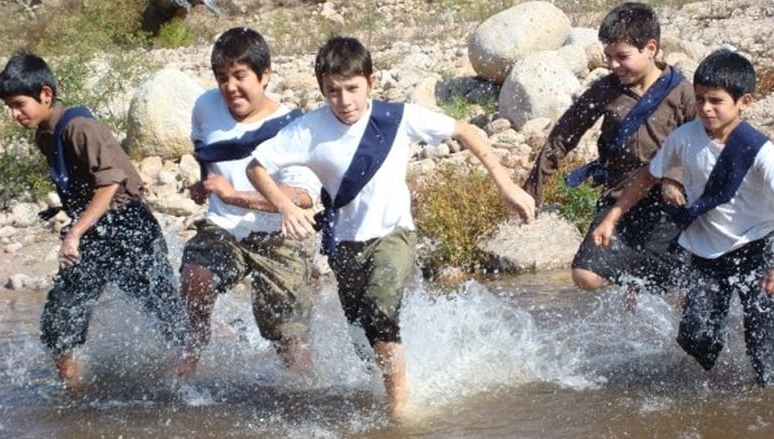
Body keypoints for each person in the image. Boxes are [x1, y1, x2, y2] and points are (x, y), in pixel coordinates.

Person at [245, 36, 535, 417]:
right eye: (332, 91)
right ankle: (384, 390)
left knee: (380, 312)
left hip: (394, 235)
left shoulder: (397, 118)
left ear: (372, 82)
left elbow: (465, 130)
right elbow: (256, 166)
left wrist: (506, 185)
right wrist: (283, 205)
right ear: (321, 89)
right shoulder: (309, 129)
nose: (344, 101)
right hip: (344, 245)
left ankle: (400, 408)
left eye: (352, 88)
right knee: (363, 338)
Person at [0, 51, 190, 387]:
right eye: (8, 107)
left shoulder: (81, 127)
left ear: (46, 94)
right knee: (60, 319)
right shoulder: (45, 134)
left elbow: (111, 182)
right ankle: (75, 392)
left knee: (166, 312)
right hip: (95, 233)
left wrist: (74, 233)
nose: (14, 114)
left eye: (18, 104)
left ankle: (192, 381)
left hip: (129, 229)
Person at [592, 48, 774, 387]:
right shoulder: (684, 138)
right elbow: (648, 175)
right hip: (707, 252)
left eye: (716, 101)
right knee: (696, 339)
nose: (705, 108)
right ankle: (720, 376)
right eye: (701, 98)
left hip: (759, 248)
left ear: (744, 102)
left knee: (766, 347)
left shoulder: (760, 151)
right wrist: (612, 216)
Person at [173, 27, 320, 380]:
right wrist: (205, 182)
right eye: (222, 78)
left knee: (287, 340)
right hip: (224, 226)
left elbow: (302, 198)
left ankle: (308, 396)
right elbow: (204, 148)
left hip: (279, 234)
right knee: (195, 277)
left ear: (265, 75)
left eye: (240, 77)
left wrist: (232, 194)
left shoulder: (292, 126)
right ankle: (198, 338)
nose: (230, 88)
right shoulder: (206, 106)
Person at [522, 2, 696, 296]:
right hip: (618, 195)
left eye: (622, 57)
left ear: (650, 48)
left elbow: (701, 142)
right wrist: (532, 189)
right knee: (584, 275)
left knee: (678, 290)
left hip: (669, 202)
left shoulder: (682, 92)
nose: (613, 65)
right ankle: (634, 280)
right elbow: (565, 134)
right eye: (608, 57)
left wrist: (674, 176)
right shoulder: (606, 90)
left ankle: (650, 284)